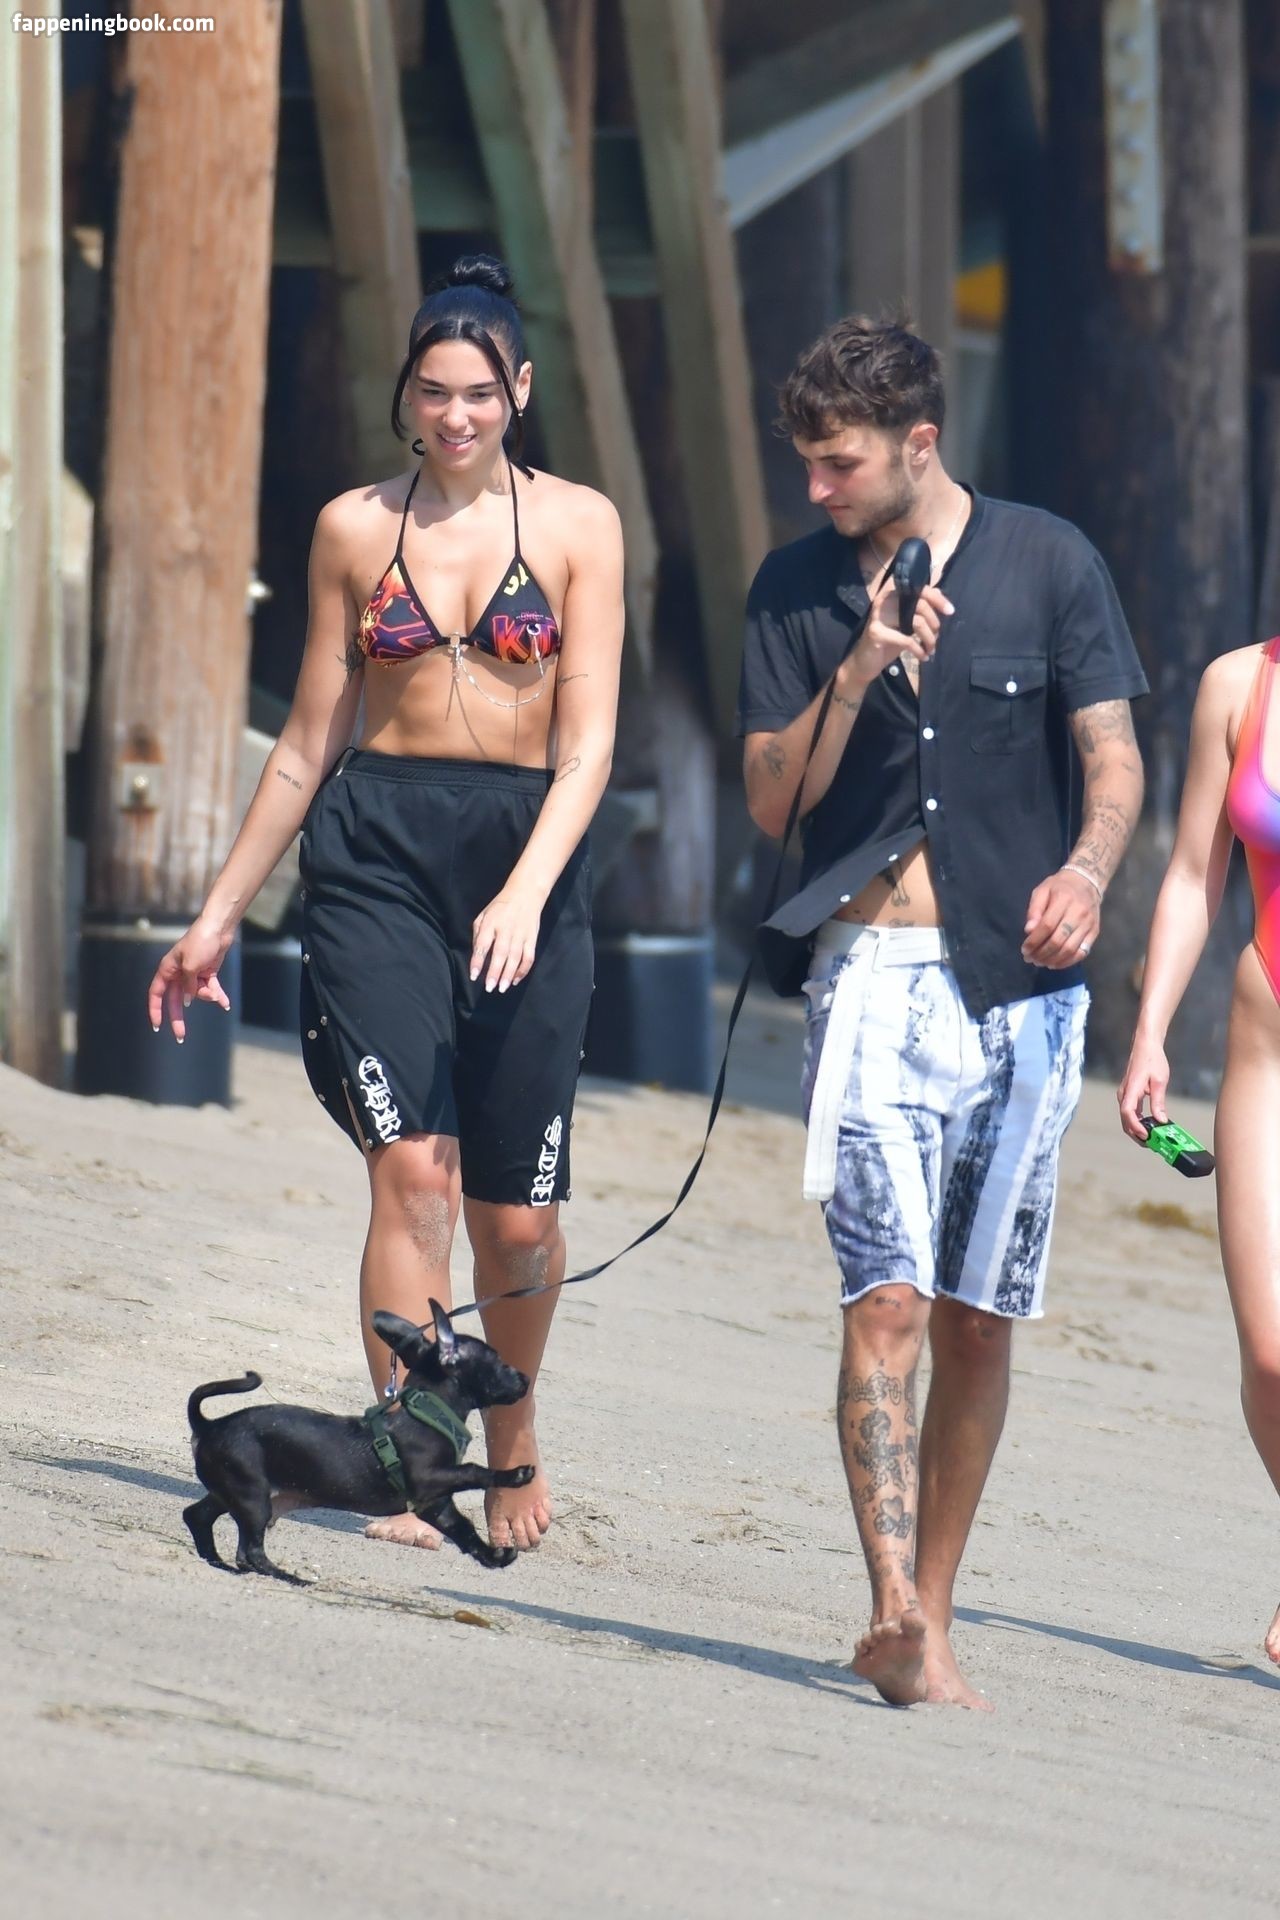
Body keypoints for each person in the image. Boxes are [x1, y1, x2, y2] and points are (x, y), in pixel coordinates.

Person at [148, 254, 623, 1553]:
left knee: (514, 1216)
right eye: (433, 393)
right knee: (414, 1172)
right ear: (404, 395)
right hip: (376, 856)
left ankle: (510, 1434)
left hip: (526, 852)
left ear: (520, 391)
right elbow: (308, 740)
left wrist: (525, 891)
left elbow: (589, 745)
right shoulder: (356, 529)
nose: (456, 416)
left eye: (480, 394)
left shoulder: (579, 527)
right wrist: (218, 913)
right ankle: (411, 1460)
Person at [736, 315, 1147, 1707]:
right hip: (864, 977)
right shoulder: (793, 589)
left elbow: (1111, 758)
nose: (816, 489)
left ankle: (942, 1604)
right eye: (805, 462)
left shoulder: (1049, 561)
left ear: (919, 443)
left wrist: (1086, 874)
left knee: (977, 1320)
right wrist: (855, 666)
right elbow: (773, 804)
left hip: (1020, 996)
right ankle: (891, 1607)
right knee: (890, 1300)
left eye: (840, 464)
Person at [1118, 636, 1280, 1664]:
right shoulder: (1239, 684)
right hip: (1267, 1053)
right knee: (1269, 1354)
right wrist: (1149, 1032)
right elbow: (1190, 875)